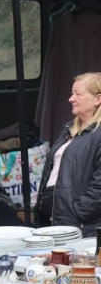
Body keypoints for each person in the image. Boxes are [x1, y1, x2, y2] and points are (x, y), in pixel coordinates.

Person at [33, 72, 101, 230]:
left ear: (98, 99)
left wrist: (77, 213)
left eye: (78, 94)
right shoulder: (69, 130)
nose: (71, 99)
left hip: (77, 224)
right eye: (72, 93)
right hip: (53, 219)